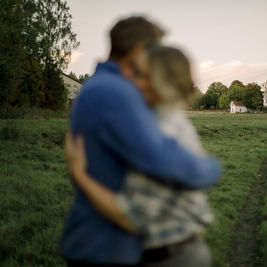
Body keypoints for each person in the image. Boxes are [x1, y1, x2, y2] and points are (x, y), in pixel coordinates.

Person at [61, 16, 220, 266]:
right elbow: (162, 159)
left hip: (111, 240)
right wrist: (210, 169)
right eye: (155, 50)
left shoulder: (100, 86)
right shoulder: (117, 91)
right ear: (138, 50)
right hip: (105, 245)